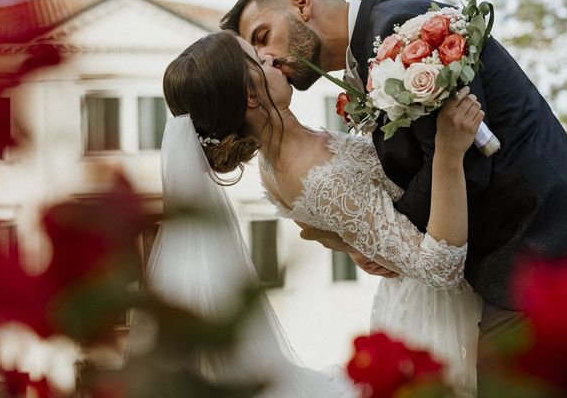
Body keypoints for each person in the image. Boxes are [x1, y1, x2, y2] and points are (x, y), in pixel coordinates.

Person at [219, 0, 567, 392]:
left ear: (302, 5)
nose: (268, 58)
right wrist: (369, 234)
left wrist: (384, 235)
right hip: (505, 261)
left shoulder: (400, 34)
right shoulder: (370, 53)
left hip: (542, 240)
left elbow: (466, 163)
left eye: (263, 36)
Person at [157, 31, 484, 396]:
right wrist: (448, 153)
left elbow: (340, 224)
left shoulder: (276, 160)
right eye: (259, 59)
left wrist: (361, 245)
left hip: (406, 303)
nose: (272, 58)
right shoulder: (312, 172)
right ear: (251, 96)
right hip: (440, 322)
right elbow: (440, 267)